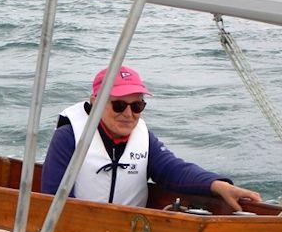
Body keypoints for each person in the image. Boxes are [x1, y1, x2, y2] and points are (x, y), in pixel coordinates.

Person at [41, 66, 261, 211]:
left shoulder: (143, 137)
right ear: (96, 102)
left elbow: (173, 170)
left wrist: (217, 185)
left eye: (137, 106)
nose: (128, 114)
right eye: (119, 105)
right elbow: (53, 197)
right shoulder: (68, 137)